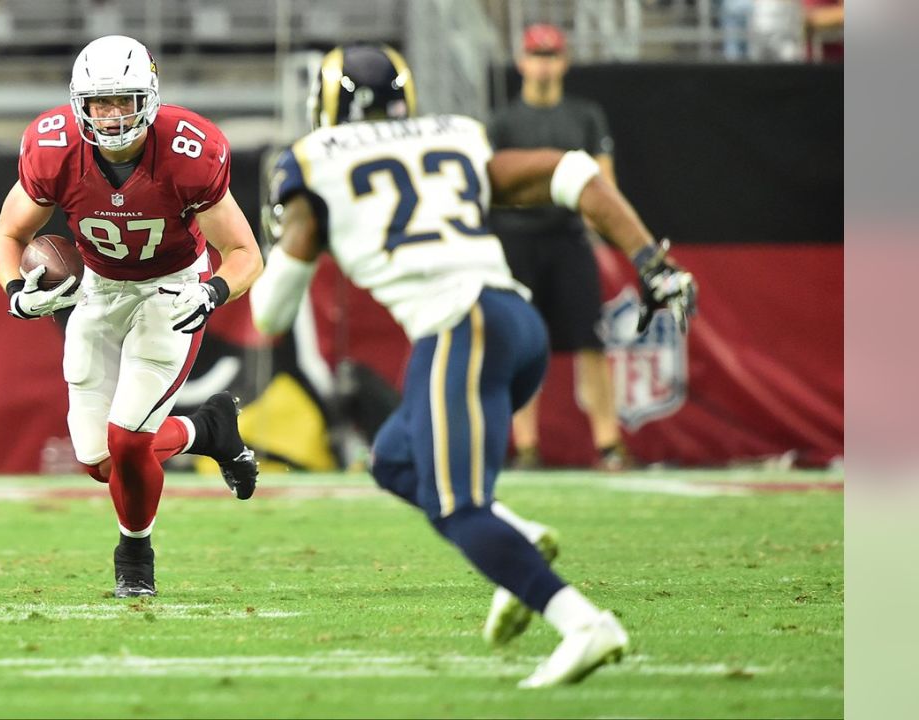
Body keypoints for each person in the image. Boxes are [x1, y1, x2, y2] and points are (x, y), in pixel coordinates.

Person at [251, 44, 695, 688]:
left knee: (459, 509)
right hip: (517, 325)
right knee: (397, 462)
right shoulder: (456, 136)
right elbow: (575, 172)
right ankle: (520, 535)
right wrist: (650, 259)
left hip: (461, 329)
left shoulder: (315, 164)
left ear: (328, 105)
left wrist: (286, 237)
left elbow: (268, 316)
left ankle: (582, 622)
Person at [0, 35, 263, 598]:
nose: (113, 117)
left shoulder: (189, 153)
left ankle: (134, 556)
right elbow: (10, 233)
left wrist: (212, 292)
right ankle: (207, 430)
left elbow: (245, 254)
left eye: (125, 100)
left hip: (172, 289)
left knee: (130, 439)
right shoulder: (53, 150)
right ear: (78, 104)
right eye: (100, 103)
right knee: (96, 458)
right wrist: (16, 290)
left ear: (151, 97)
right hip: (100, 289)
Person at [490, 23, 628, 471]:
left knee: (592, 341)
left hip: (568, 237)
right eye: (537, 55)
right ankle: (526, 444)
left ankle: (609, 443)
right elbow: (489, 186)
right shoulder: (505, 122)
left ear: (563, 61)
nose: (544, 64)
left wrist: (608, 223)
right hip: (517, 238)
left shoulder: (584, 115)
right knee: (521, 343)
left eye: (552, 55)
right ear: (522, 61)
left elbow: (604, 185)